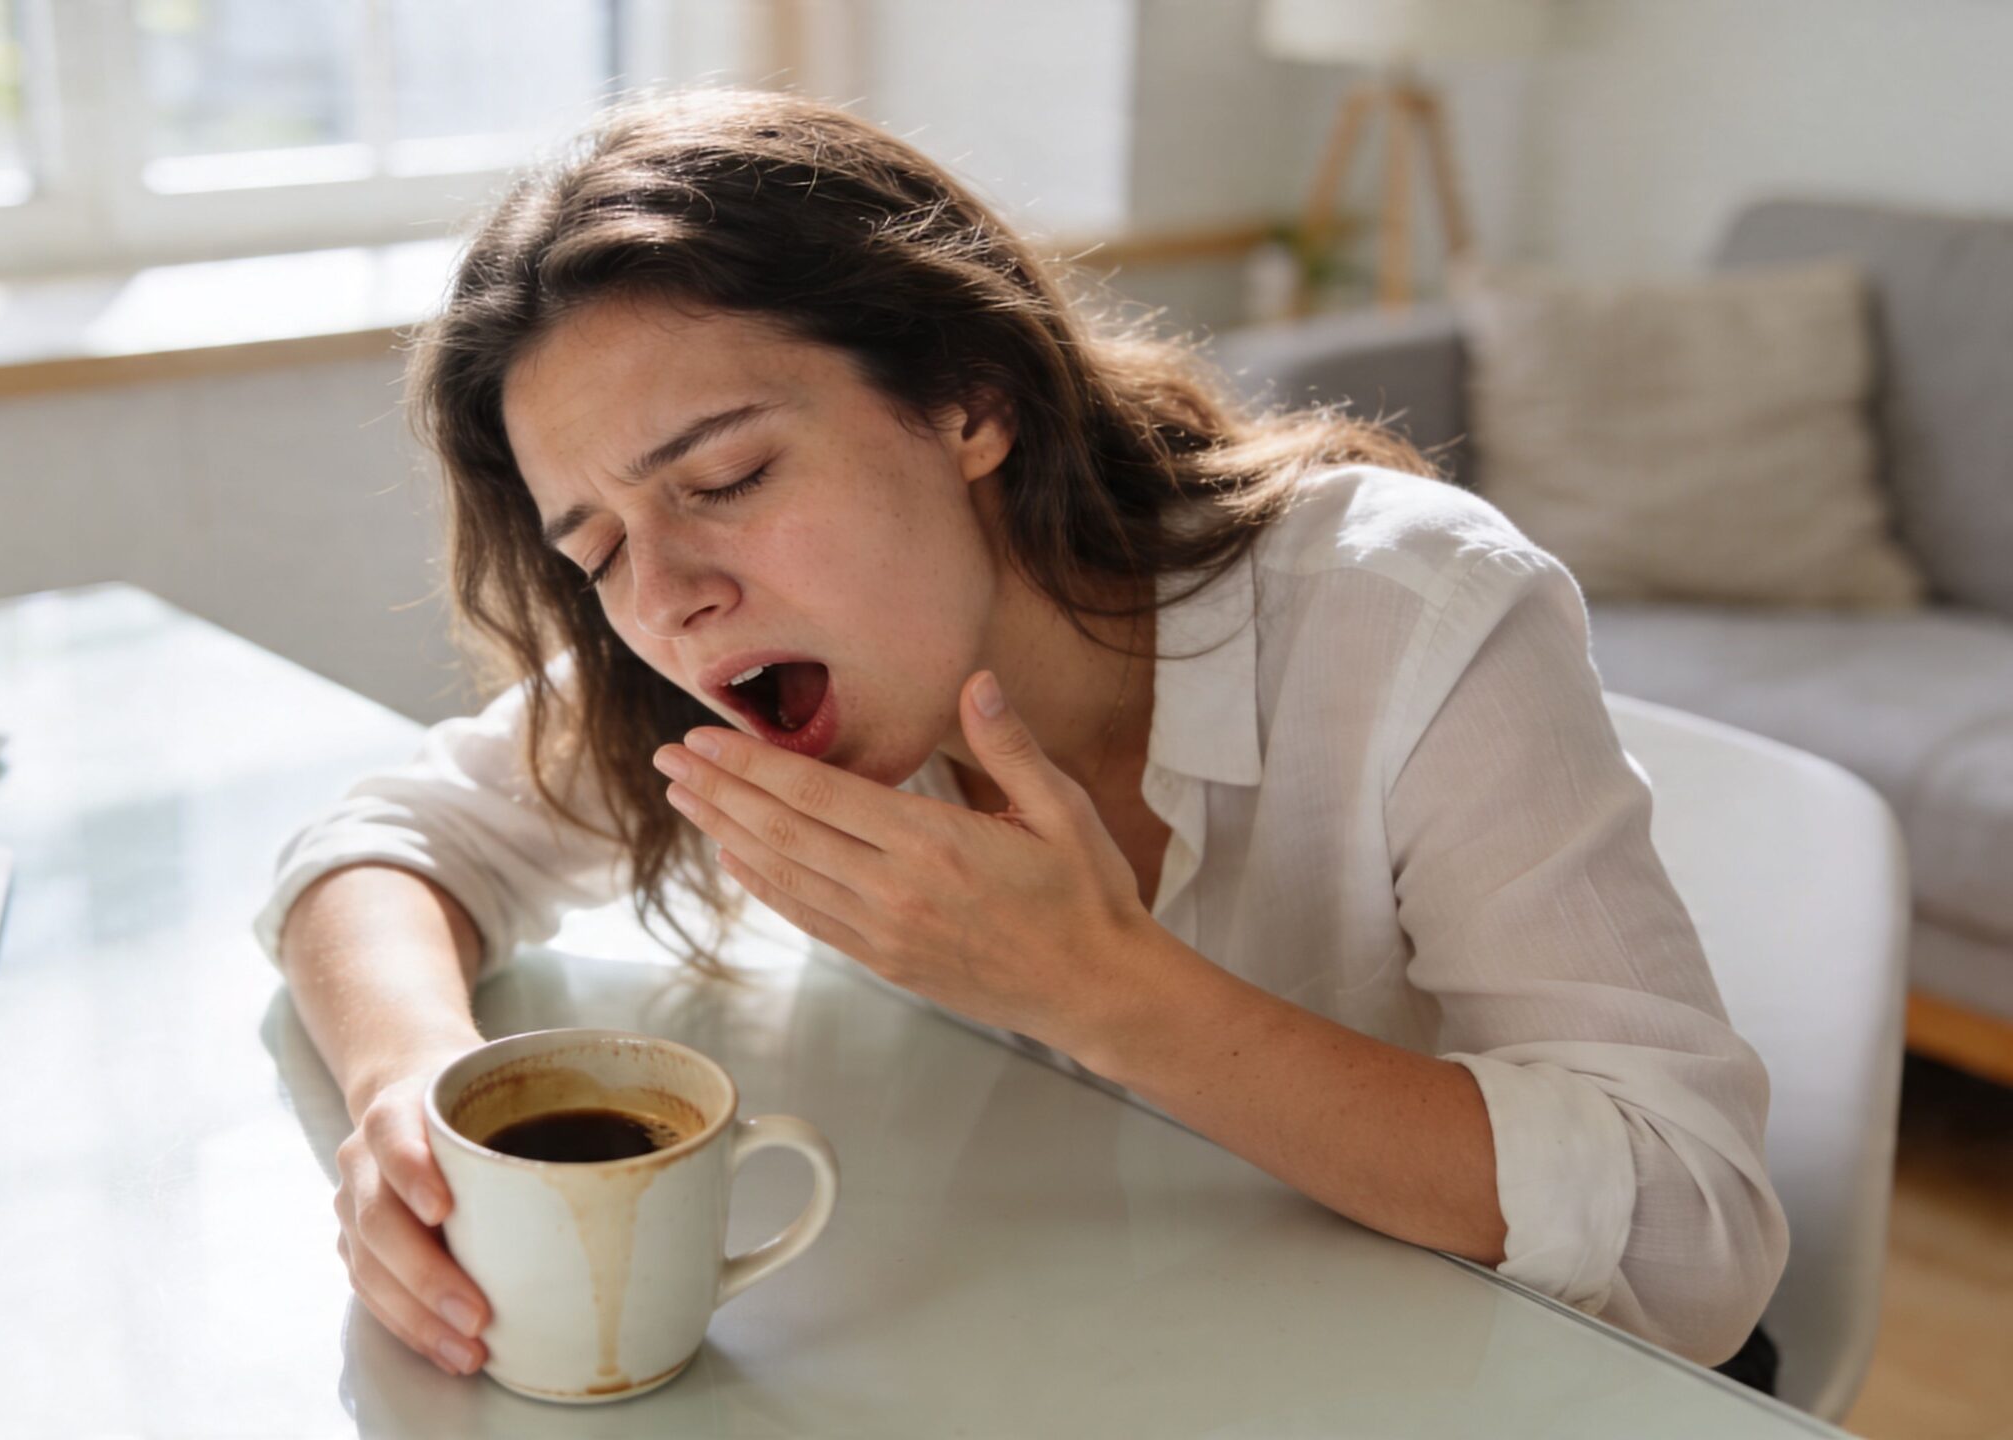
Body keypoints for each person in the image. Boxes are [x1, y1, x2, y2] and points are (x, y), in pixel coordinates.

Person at [256, 87, 1788, 1389]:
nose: (668, 599)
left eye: (722, 478)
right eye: (595, 550)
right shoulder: (729, 674)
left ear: (967, 400)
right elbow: (383, 842)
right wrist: (415, 1101)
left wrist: (1104, 992)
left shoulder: (1412, 612)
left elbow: (1696, 1237)